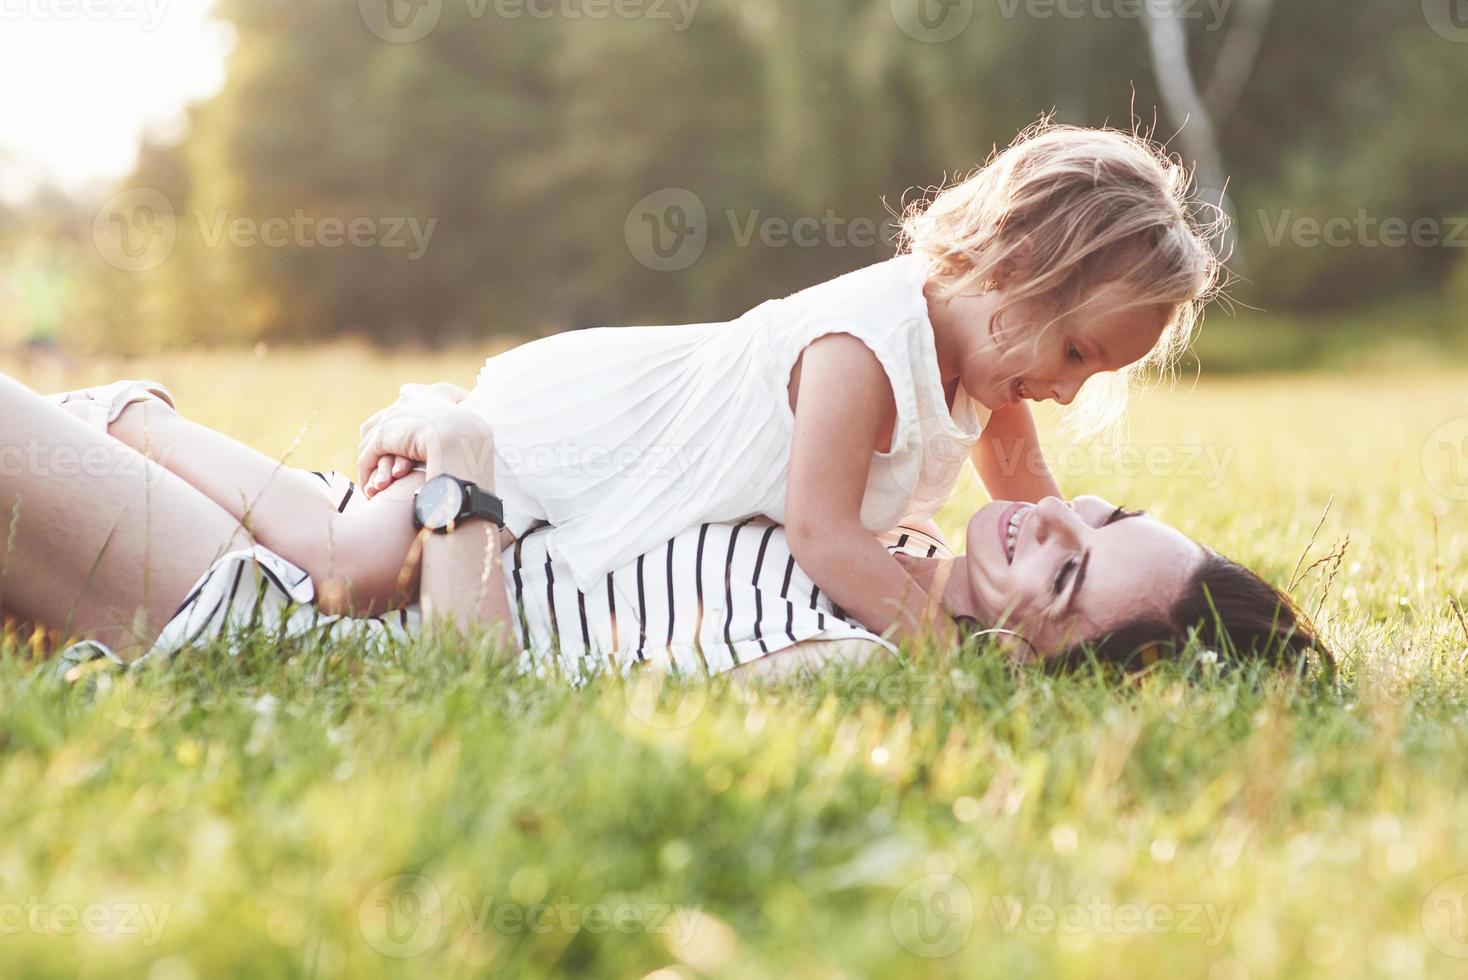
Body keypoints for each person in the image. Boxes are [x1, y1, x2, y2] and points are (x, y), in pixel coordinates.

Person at [353, 122, 1223, 649]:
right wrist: (943, 656)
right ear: (1021, 266)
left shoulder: (992, 378)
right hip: (591, 439)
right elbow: (821, 534)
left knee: (453, 586)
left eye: (1095, 373)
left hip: (639, 461)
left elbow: (1039, 501)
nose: (1068, 394)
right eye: (1075, 352)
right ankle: (427, 430)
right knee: (361, 575)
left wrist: (1103, 588)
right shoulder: (867, 347)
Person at [9, 373, 1326, 679]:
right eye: (1086, 511)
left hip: (272, 624)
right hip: (324, 554)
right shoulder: (866, 525)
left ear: (1057, 654)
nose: (1038, 518)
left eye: (1069, 566)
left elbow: (465, 698)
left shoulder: (845, 664)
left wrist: (464, 483)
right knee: (115, 413)